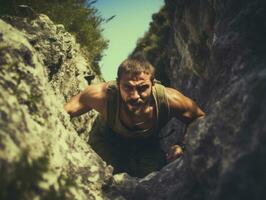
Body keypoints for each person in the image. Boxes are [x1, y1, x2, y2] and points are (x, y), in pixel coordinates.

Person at [64, 55, 205, 177]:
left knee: (153, 183)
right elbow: (62, 112)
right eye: (128, 87)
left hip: (147, 145)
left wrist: (182, 145)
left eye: (142, 87)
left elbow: (200, 118)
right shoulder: (101, 95)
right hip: (107, 140)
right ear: (118, 84)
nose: (135, 96)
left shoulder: (170, 99)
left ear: (153, 84)